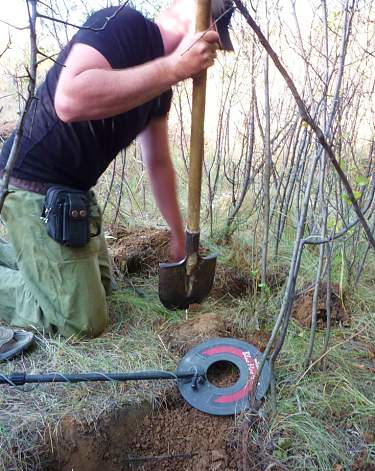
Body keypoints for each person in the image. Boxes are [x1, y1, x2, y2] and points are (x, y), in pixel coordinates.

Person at [0, 0, 234, 357]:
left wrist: (177, 232)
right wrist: (174, 67)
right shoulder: (122, 24)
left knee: (103, 286)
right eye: (213, 34)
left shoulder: (160, 91)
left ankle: (34, 262)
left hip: (73, 195)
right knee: (82, 319)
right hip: (30, 184)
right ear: (193, 13)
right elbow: (69, 99)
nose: (212, 47)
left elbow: (157, 162)